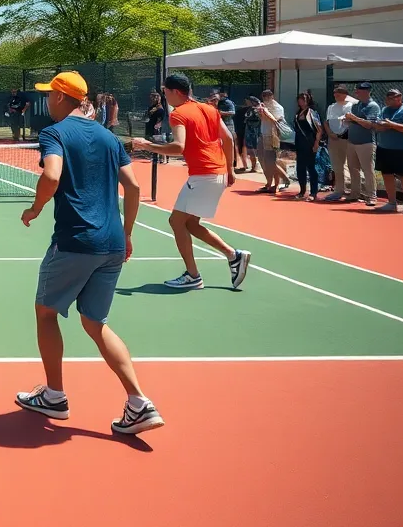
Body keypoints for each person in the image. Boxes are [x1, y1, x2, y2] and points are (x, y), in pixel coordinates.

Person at [17, 71, 163, 436]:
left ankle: (54, 395)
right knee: (95, 323)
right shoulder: (109, 137)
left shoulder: (55, 133)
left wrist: (34, 210)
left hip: (75, 241)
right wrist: (127, 234)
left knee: (46, 312)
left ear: (63, 99)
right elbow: (132, 186)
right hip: (112, 243)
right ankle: (138, 402)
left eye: (50, 95)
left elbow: (51, 176)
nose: (47, 101)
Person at [132, 73, 251, 290]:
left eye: (166, 92)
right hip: (215, 174)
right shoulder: (209, 109)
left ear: (175, 92)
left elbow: (178, 147)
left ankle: (194, 275)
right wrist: (230, 169)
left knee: (176, 222)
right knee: (190, 224)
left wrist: (145, 145)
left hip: (204, 175)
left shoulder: (179, 114)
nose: (164, 96)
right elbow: (228, 138)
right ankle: (233, 256)